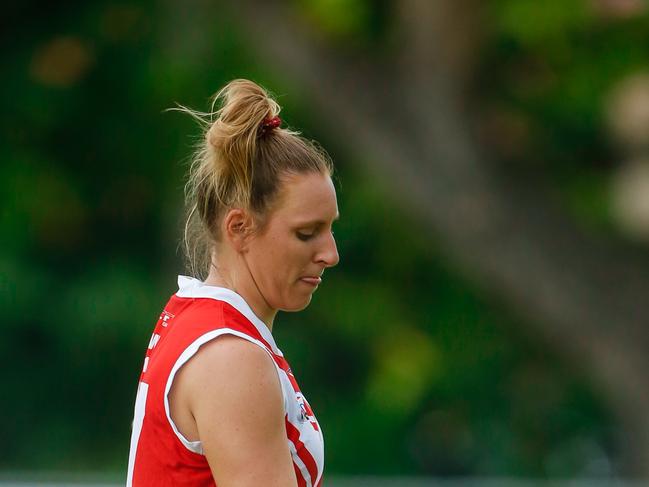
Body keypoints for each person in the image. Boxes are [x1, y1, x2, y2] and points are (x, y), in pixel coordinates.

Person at [126, 79, 340, 487]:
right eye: (307, 233)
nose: (331, 254)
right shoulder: (231, 356)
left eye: (330, 230)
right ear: (240, 227)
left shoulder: (206, 323)